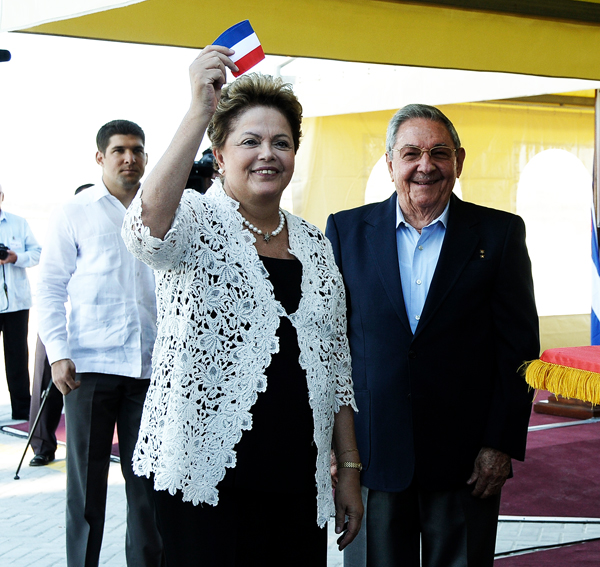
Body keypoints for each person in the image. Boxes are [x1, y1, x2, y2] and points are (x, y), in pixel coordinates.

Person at [121, 46, 363, 567]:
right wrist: (197, 112)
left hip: (297, 481)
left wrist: (348, 467)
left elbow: (336, 368)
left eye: (281, 142)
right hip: (204, 482)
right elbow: (145, 234)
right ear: (221, 152)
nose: (267, 154)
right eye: (249, 141)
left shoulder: (315, 245)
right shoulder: (193, 219)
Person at [325, 104, 540, 567]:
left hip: (467, 464)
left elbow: (519, 352)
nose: (426, 166)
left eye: (439, 153)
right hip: (373, 457)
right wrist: (336, 449)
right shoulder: (345, 231)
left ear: (459, 161)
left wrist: (500, 445)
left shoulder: (500, 234)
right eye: (411, 154)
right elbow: (331, 349)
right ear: (389, 164)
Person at [37, 121, 164, 567]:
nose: (130, 158)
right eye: (119, 151)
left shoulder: (161, 209)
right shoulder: (76, 212)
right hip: (89, 367)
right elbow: (50, 284)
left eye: (137, 150)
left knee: (147, 488)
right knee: (86, 489)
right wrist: (58, 354)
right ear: (100, 158)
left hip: (151, 371)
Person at [29, 183, 94, 467]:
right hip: (57, 321)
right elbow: (49, 283)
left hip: (90, 327)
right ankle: (42, 445)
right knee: (45, 383)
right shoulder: (64, 225)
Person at [0, 184, 41, 420]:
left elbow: (37, 253)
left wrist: (16, 258)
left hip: (17, 302)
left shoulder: (18, 223)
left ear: (2, 196)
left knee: (17, 357)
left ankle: (22, 412)